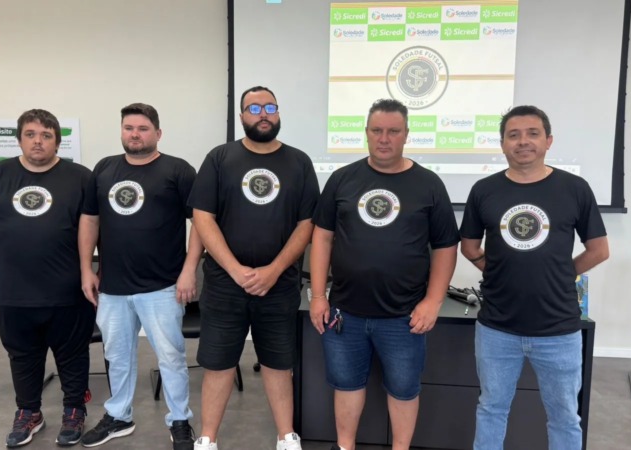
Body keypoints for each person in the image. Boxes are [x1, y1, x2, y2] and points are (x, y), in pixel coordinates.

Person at [309, 99, 459, 450]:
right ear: (366, 133)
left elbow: (445, 247)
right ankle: (345, 446)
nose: (384, 138)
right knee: (346, 385)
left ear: (407, 134)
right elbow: (322, 237)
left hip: (404, 316)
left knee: (404, 390)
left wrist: (433, 301)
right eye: (376, 130)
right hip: (345, 311)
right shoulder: (342, 179)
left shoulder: (428, 184)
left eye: (393, 131)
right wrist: (317, 296)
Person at [460, 105, 610, 450]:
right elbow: (469, 247)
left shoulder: (574, 188)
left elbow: (599, 250)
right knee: (491, 409)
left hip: (559, 330)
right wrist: (495, 271)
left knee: (564, 417)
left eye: (532, 133)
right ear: (502, 144)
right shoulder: (484, 190)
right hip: (497, 328)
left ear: (548, 141)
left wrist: (561, 274)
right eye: (513, 135)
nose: (522, 141)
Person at [188, 86, 319, 450]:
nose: (264, 114)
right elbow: (203, 217)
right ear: (242, 115)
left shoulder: (299, 162)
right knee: (219, 364)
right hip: (224, 284)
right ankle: (208, 439)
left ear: (278, 113)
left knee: (278, 364)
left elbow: (307, 223)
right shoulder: (220, 158)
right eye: (255, 108)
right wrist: (235, 270)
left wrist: (273, 270)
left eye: (270, 107)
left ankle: (286, 437)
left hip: (279, 285)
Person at [0, 109, 95, 447]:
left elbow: (96, 227)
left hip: (68, 290)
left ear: (57, 142)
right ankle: (29, 412)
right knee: (22, 355)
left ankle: (74, 410)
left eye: (46, 135)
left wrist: (93, 271)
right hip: (13, 290)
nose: (38, 141)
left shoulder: (81, 178)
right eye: (31, 134)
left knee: (73, 354)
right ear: (19, 139)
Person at [78, 103, 201, 450]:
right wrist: (86, 268)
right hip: (113, 286)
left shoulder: (178, 170)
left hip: (162, 286)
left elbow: (202, 222)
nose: (135, 134)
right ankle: (119, 416)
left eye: (143, 128)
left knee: (171, 357)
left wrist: (189, 270)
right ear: (121, 131)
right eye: (129, 128)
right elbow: (90, 220)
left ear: (157, 133)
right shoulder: (104, 168)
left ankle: (180, 420)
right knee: (117, 356)